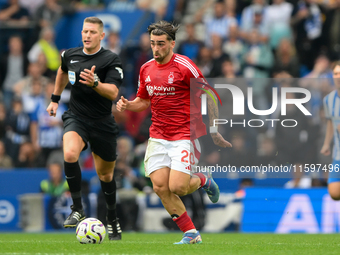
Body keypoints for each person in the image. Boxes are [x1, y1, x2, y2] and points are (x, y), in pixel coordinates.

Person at [116, 20, 231, 244]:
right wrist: (128, 105)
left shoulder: (185, 66)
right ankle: (191, 233)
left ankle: (204, 180)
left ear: (172, 44)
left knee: (178, 186)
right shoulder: (146, 68)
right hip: (158, 135)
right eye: (152, 44)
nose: (156, 49)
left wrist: (215, 130)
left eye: (161, 44)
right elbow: (143, 101)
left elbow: (211, 95)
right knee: (160, 186)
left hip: (184, 135)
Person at [46, 17, 124, 240]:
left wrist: (96, 83)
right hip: (77, 117)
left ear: (101, 36)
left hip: (102, 123)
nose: (87, 35)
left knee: (106, 175)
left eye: (92, 32)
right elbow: (62, 71)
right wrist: (54, 99)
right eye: (84, 31)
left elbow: (113, 93)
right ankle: (77, 209)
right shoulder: (69, 55)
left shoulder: (111, 59)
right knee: (70, 153)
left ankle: (111, 217)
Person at [320, 61, 340, 200]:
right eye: (336, 73)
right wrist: (327, 143)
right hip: (338, 153)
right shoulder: (329, 99)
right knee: (334, 192)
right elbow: (330, 123)